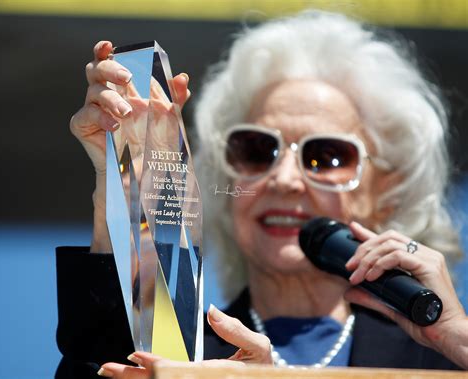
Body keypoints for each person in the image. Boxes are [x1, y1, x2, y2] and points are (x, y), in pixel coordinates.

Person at [57, 10, 467, 378]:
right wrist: (125, 201)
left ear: (388, 189)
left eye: (326, 155)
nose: (284, 179)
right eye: (256, 150)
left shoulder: (439, 357)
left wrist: (459, 342)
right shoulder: (176, 356)